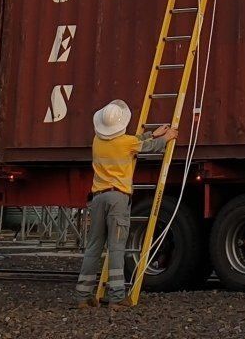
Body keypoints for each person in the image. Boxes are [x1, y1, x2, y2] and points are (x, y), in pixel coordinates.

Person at [74, 101, 174, 307]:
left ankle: (83, 297)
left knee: (93, 247)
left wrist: (153, 134)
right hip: (118, 199)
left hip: (98, 198)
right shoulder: (126, 143)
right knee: (116, 248)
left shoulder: (97, 141)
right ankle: (117, 297)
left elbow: (134, 141)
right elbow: (147, 147)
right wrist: (166, 137)